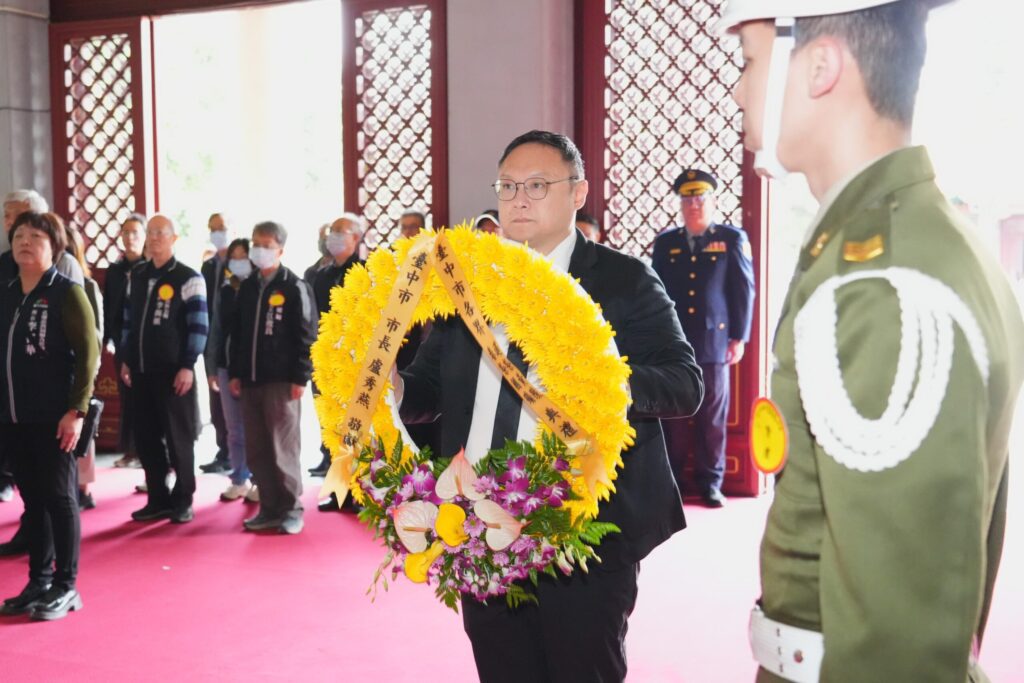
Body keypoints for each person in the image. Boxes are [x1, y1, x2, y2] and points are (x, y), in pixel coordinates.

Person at [718, 1, 1024, 680]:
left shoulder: (882, 280)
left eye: (749, 62)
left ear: (821, 66)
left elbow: (899, 645)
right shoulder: (917, 241)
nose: (738, 89)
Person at [396, 130, 703, 682]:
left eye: (538, 185)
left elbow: (684, 384)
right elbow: (429, 392)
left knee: (583, 669)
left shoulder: (623, 279)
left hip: (581, 524)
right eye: (508, 186)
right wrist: (391, 390)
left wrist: (604, 382)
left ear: (579, 192)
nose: (519, 199)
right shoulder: (467, 284)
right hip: (479, 522)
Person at [0, 211, 98, 620]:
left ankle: (65, 585)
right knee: (33, 499)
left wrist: (75, 411)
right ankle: (38, 581)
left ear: (54, 246)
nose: (25, 241)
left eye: (35, 236)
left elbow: (88, 357)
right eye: (19, 235)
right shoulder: (6, 291)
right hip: (13, 417)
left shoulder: (67, 293)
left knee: (59, 498)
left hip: (55, 416)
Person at [651, 169, 755, 507]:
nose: (693, 205)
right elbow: (657, 291)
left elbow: (743, 291)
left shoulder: (730, 238)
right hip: (676, 344)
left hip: (715, 344)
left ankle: (712, 483)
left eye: (700, 198)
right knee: (676, 415)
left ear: (713, 201)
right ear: (680, 205)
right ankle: (675, 482)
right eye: (687, 199)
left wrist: (738, 336)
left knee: (712, 416)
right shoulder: (667, 243)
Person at [227, 221, 316, 535]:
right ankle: (268, 507)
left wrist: (300, 378)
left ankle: (291, 509)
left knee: (283, 446)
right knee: (258, 447)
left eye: (266, 244)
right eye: (255, 243)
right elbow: (236, 335)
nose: (259, 250)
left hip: (282, 381)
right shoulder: (248, 286)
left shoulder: (294, 285)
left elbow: (307, 335)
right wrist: (235, 372)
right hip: (250, 380)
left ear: (280, 249)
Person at [120, 214, 208, 524]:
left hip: (174, 373)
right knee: (146, 437)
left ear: (174, 239)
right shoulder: (139, 275)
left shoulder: (188, 277)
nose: (155, 237)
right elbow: (129, 323)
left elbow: (199, 326)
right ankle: (157, 496)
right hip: (142, 370)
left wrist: (187, 365)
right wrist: (128, 359)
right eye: (151, 232)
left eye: (162, 232)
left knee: (178, 438)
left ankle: (183, 498)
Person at [308, 213, 365, 478]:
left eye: (341, 231)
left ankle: (358, 487)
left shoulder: (366, 271)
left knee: (354, 423)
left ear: (356, 237)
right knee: (329, 423)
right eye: (332, 230)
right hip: (326, 359)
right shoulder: (320, 276)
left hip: (354, 361)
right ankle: (336, 484)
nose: (334, 235)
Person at [60, 217, 104, 510]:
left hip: (82, 366)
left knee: (82, 424)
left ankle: (84, 487)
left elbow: (95, 333)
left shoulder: (85, 286)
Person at [210, 238, 257, 503]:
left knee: (257, 428)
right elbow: (216, 329)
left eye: (244, 256)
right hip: (227, 366)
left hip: (253, 369)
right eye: (234, 257)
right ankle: (239, 478)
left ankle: (260, 480)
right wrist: (213, 366)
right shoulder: (226, 290)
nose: (238, 262)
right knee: (234, 428)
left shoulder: (259, 289)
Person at [103, 213, 147, 470]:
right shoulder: (116, 270)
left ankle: (146, 451)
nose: (130, 238)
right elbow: (110, 305)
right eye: (126, 233)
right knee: (127, 398)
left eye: (135, 233)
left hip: (146, 344)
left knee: (146, 399)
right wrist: (109, 338)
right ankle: (130, 450)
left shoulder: (149, 268)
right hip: (122, 341)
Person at [199, 213, 232, 475]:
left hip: (233, 341)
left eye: (221, 228)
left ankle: (237, 453)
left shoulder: (242, 263)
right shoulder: (209, 266)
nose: (217, 232)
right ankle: (223, 450)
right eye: (213, 229)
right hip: (211, 337)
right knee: (216, 399)